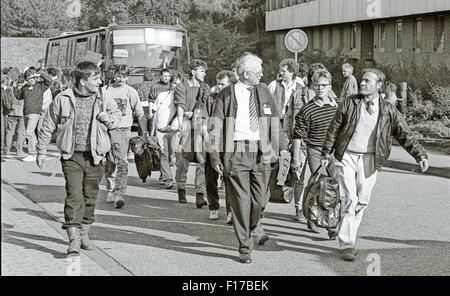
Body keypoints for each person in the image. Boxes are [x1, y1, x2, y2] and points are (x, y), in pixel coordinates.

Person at [321, 68, 429, 261]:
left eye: (367, 81)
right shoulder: (349, 103)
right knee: (350, 200)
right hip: (346, 156)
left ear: (379, 86)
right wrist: (326, 152)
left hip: (371, 158)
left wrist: (419, 155)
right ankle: (347, 242)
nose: (362, 83)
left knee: (362, 201)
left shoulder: (388, 109)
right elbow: (334, 128)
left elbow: (404, 133)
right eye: (362, 80)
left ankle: (346, 228)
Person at [209, 53, 288, 263]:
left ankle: (254, 224)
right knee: (240, 201)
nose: (262, 74)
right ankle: (244, 246)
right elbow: (215, 127)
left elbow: (274, 123)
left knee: (260, 200)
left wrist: (283, 148)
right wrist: (215, 157)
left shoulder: (263, 91)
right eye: (258, 71)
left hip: (263, 151)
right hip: (236, 151)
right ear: (246, 74)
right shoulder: (227, 94)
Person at [36, 61, 121, 256]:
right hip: (71, 156)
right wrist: (41, 151)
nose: (100, 82)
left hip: (96, 156)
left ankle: (84, 234)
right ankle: (73, 238)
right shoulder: (63, 98)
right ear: (83, 80)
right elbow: (48, 124)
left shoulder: (103, 97)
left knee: (90, 196)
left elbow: (119, 115)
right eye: (95, 78)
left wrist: (109, 118)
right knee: (74, 195)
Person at [292, 69, 339, 237]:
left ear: (330, 87)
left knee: (335, 187)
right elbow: (298, 136)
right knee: (321, 186)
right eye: (317, 85)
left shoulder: (335, 107)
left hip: (334, 152)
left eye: (324, 85)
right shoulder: (307, 110)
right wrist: (296, 158)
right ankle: (316, 219)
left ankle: (331, 221)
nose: (320, 89)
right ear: (313, 87)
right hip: (315, 151)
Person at [267, 59, 311, 222]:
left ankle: (298, 208)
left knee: (296, 171)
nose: (281, 73)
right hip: (276, 128)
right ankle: (263, 202)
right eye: (280, 70)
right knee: (271, 166)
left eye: (284, 70)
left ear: (292, 72)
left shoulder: (300, 89)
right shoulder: (273, 85)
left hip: (294, 132)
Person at [103, 65, 147, 209]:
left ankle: (119, 193)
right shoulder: (105, 90)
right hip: (108, 130)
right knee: (110, 162)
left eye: (123, 76)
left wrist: (144, 132)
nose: (121, 79)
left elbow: (139, 112)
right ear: (113, 75)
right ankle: (110, 188)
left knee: (122, 162)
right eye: (118, 76)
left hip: (124, 131)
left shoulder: (130, 91)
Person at [173, 59, 210, 207]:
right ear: (193, 71)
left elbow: (205, 105)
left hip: (201, 124)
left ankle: (200, 194)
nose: (204, 73)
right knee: (184, 159)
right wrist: (182, 121)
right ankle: (181, 187)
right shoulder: (182, 86)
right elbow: (180, 105)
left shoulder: (205, 87)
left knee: (202, 159)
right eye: (202, 71)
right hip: (186, 124)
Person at [203, 70, 233, 221]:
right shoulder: (210, 98)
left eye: (223, 84)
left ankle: (230, 211)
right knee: (210, 177)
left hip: (229, 143)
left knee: (229, 177)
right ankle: (213, 207)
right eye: (218, 83)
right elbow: (204, 119)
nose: (219, 87)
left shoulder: (234, 99)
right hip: (213, 141)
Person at [151, 72, 183, 189]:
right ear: (171, 83)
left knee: (175, 156)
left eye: (179, 84)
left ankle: (176, 178)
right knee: (164, 154)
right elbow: (155, 114)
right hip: (161, 129)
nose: (176, 86)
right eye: (175, 83)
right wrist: (152, 131)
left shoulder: (182, 98)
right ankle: (168, 179)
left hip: (175, 130)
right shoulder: (162, 95)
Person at [14, 68, 52, 161]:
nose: (31, 80)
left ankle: (32, 153)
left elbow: (48, 80)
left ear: (35, 78)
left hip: (35, 112)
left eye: (32, 78)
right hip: (26, 112)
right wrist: (15, 87)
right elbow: (18, 96)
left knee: (29, 132)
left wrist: (40, 73)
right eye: (28, 78)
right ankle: (34, 151)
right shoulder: (25, 87)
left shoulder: (40, 86)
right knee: (30, 133)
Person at [2, 74, 25, 156]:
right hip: (22, 113)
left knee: (9, 131)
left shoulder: (10, 89)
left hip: (12, 112)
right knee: (21, 132)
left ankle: (7, 150)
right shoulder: (25, 90)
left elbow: (7, 100)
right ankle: (19, 150)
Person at [136, 70, 154, 135]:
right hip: (153, 108)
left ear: (143, 78)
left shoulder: (140, 87)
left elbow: (137, 98)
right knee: (152, 128)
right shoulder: (155, 86)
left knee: (142, 128)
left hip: (143, 108)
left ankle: (143, 141)